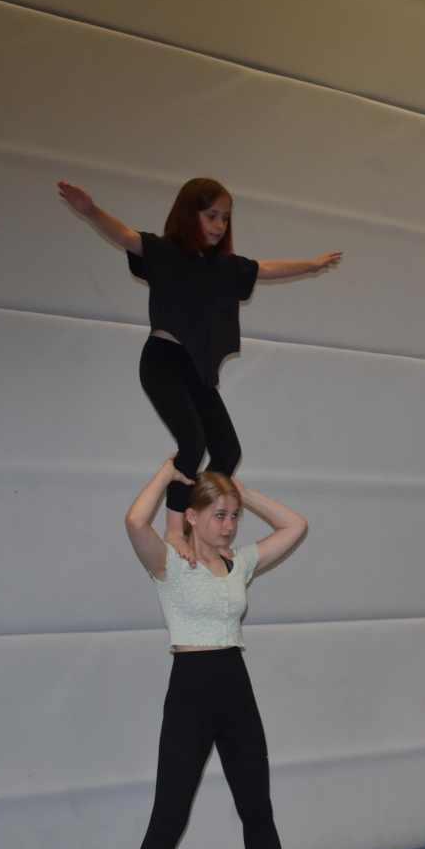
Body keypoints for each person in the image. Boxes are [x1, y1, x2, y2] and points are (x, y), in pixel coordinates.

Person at [99, 459, 335, 849]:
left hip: (236, 690)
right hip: (190, 693)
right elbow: (134, 521)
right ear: (192, 516)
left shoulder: (239, 563)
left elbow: (296, 525)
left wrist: (243, 491)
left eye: (233, 516)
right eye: (219, 515)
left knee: (257, 807)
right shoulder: (168, 563)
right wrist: (168, 474)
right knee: (168, 818)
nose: (229, 525)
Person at [58, 178, 340, 563]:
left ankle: (198, 527)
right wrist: (91, 210)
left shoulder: (223, 267)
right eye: (211, 216)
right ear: (190, 213)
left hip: (198, 373)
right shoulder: (165, 251)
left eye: (225, 218)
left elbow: (266, 268)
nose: (219, 224)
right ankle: (174, 528)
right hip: (163, 361)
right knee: (192, 442)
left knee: (227, 450)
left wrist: (312, 264)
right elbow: (124, 235)